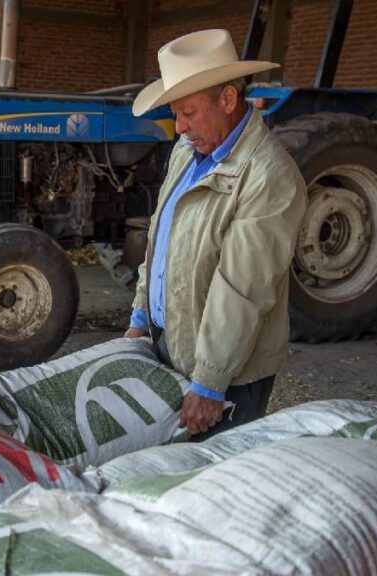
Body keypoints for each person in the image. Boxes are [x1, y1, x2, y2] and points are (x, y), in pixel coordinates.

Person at [125, 29, 307, 439]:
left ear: (227, 99)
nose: (179, 127)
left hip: (228, 375)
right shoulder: (187, 152)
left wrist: (209, 383)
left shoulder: (269, 175)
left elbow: (243, 288)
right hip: (171, 345)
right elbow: (161, 239)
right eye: (175, 113)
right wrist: (140, 317)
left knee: (208, 468)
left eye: (188, 113)